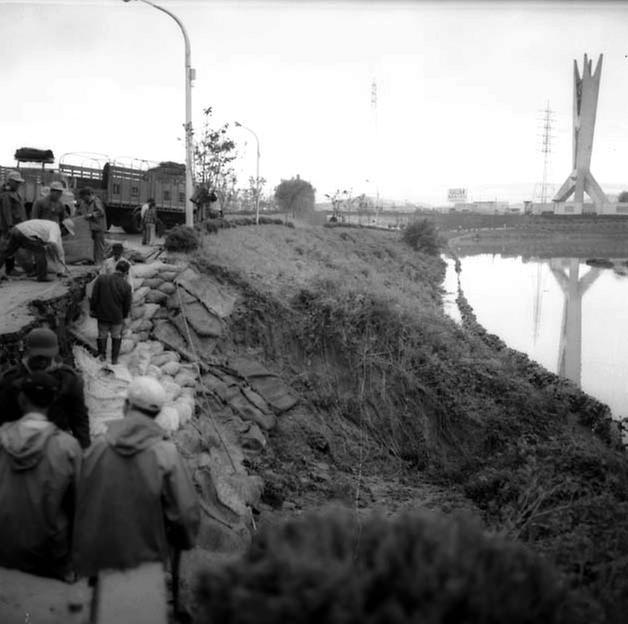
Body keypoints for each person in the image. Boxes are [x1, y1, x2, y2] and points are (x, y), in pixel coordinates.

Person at [73, 376, 199, 578]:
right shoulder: (167, 455)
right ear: (157, 413)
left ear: (125, 406)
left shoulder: (98, 448)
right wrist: (181, 541)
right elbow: (185, 516)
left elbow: (77, 498)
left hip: (93, 561)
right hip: (143, 565)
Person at [0, 372, 81, 580]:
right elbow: (79, 503)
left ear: (21, 399)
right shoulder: (67, 447)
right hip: (49, 551)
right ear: (53, 402)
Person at [0, 328, 91, 449]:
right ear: (27, 352)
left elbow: (79, 420)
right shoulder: (10, 380)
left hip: (57, 444)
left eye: (46, 357)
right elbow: (2, 417)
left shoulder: (68, 379)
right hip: (18, 445)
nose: (42, 361)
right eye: (37, 356)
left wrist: (84, 451)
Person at [90, 259, 132, 365]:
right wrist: (124, 316)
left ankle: (102, 357)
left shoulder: (101, 279)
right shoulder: (127, 286)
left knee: (102, 335)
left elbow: (94, 296)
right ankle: (114, 360)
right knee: (116, 336)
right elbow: (127, 305)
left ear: (116, 268)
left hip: (102, 314)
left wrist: (93, 309)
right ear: (126, 273)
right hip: (117, 317)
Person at [0, 170, 27, 276]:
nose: (18, 184)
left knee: (11, 248)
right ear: (10, 181)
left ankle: (10, 268)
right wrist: (10, 225)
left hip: (16, 225)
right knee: (5, 248)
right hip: (8, 226)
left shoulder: (14, 193)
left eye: (19, 182)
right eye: (16, 182)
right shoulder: (6, 194)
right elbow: (6, 211)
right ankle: (9, 269)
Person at [77, 187, 107, 265]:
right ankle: (91, 260)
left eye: (84, 197)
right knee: (90, 245)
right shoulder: (84, 203)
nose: (83, 199)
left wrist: (91, 215)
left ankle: (99, 261)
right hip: (89, 228)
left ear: (88, 195)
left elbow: (101, 212)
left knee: (99, 245)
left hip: (98, 227)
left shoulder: (96, 201)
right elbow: (79, 212)